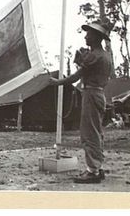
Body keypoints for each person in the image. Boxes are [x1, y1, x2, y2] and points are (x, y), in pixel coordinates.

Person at [49, 21, 112, 183]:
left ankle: (92, 171)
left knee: (89, 133)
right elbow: (89, 72)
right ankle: (97, 167)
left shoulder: (95, 55)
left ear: (97, 37)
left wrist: (56, 82)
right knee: (96, 132)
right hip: (97, 94)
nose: (86, 36)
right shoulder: (104, 55)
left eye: (89, 34)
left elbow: (76, 76)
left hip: (91, 94)